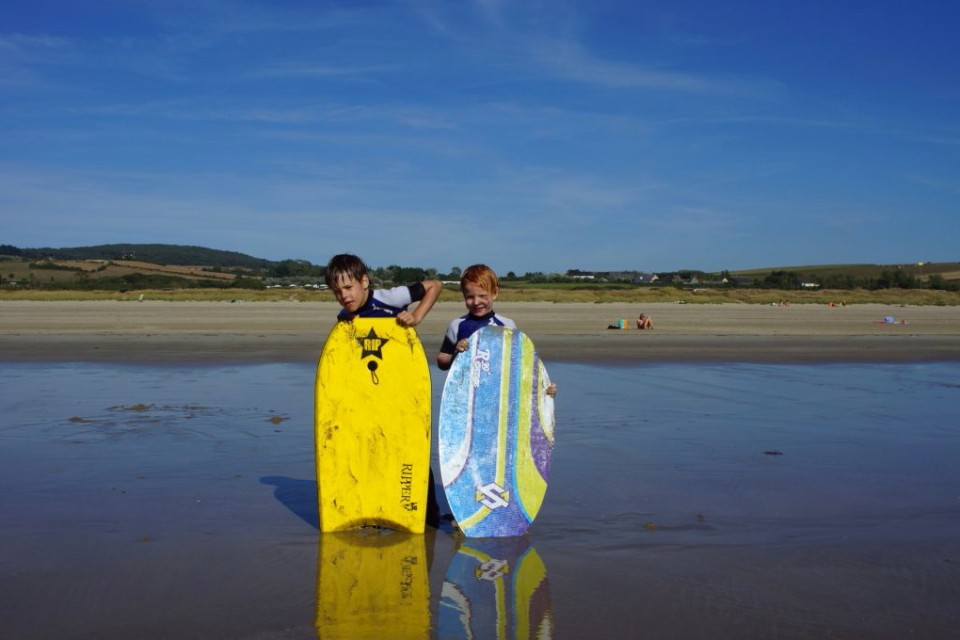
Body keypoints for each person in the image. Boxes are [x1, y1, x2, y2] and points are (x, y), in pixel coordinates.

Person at [437, 264, 556, 395]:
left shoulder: (507, 326)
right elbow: (442, 361)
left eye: (482, 296)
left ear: (494, 293)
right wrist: (455, 354)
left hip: (497, 394)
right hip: (465, 393)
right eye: (470, 297)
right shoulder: (457, 325)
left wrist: (543, 387)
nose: (476, 302)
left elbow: (520, 365)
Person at [324, 253, 441, 327]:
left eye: (348, 287)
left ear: (364, 281)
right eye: (337, 291)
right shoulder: (345, 314)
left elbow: (435, 286)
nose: (343, 295)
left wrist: (415, 317)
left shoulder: (391, 298)